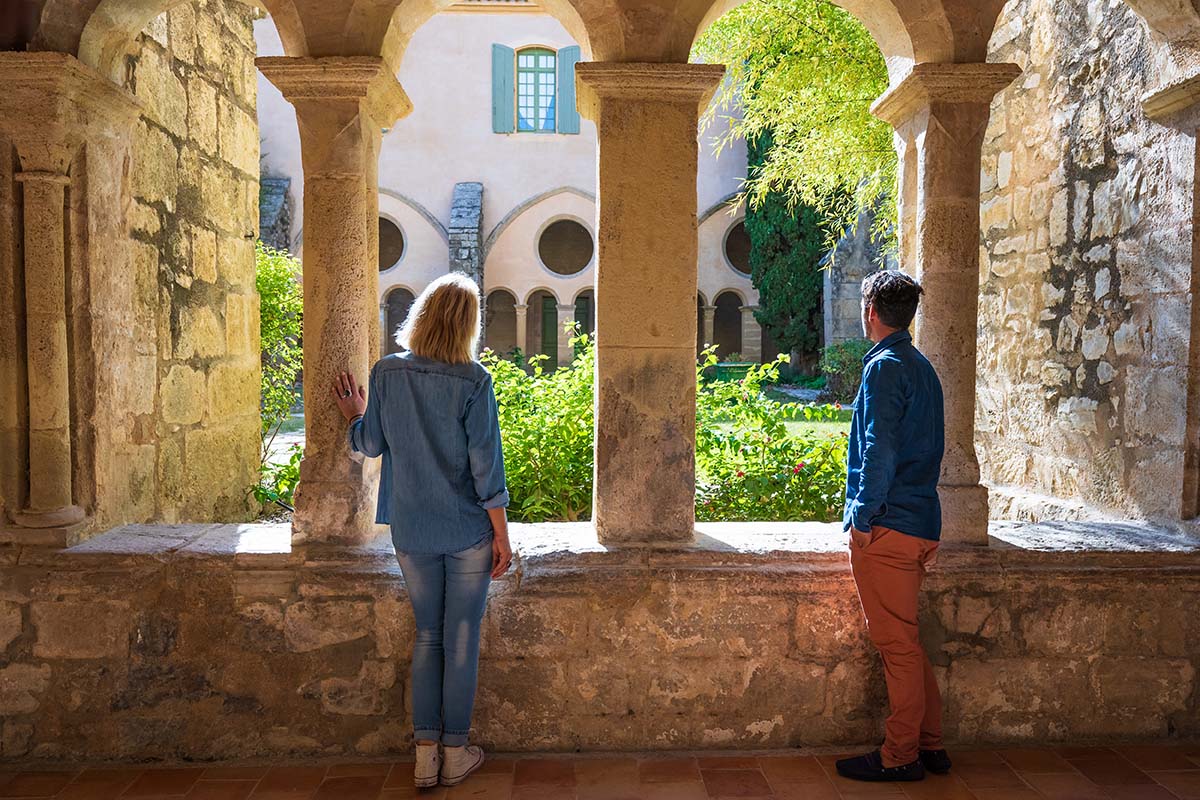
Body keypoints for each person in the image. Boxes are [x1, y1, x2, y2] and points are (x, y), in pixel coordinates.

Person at [332, 272, 512, 789]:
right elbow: (486, 467)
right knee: (460, 638)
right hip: (466, 531)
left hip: (411, 530)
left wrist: (355, 416)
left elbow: (368, 445)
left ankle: (424, 756)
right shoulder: (474, 380)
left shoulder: (387, 374)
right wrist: (501, 533)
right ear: (468, 326)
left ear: (423, 316)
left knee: (427, 635)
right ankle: (455, 753)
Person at [835, 270, 951, 783]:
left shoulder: (884, 368)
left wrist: (862, 518)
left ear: (871, 312)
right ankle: (931, 745)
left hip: (889, 528)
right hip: (920, 522)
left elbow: (878, 451)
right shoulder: (922, 368)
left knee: (897, 646)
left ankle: (900, 755)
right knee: (907, 640)